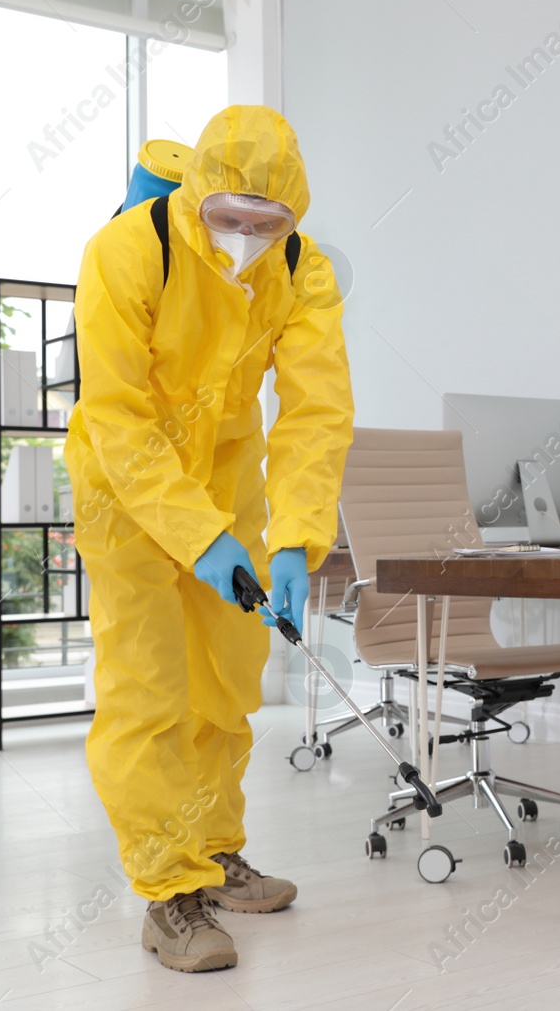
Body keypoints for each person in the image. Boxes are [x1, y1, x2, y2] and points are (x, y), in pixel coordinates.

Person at [66, 105, 352, 973]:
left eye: (269, 224)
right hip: (126, 492)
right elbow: (116, 415)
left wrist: (297, 541)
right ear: (200, 198)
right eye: (230, 219)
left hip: (229, 486)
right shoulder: (124, 253)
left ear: (294, 217)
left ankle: (216, 852)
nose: (248, 238)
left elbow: (315, 412)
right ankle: (167, 892)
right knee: (149, 692)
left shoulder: (302, 270)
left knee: (227, 682)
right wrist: (193, 534)